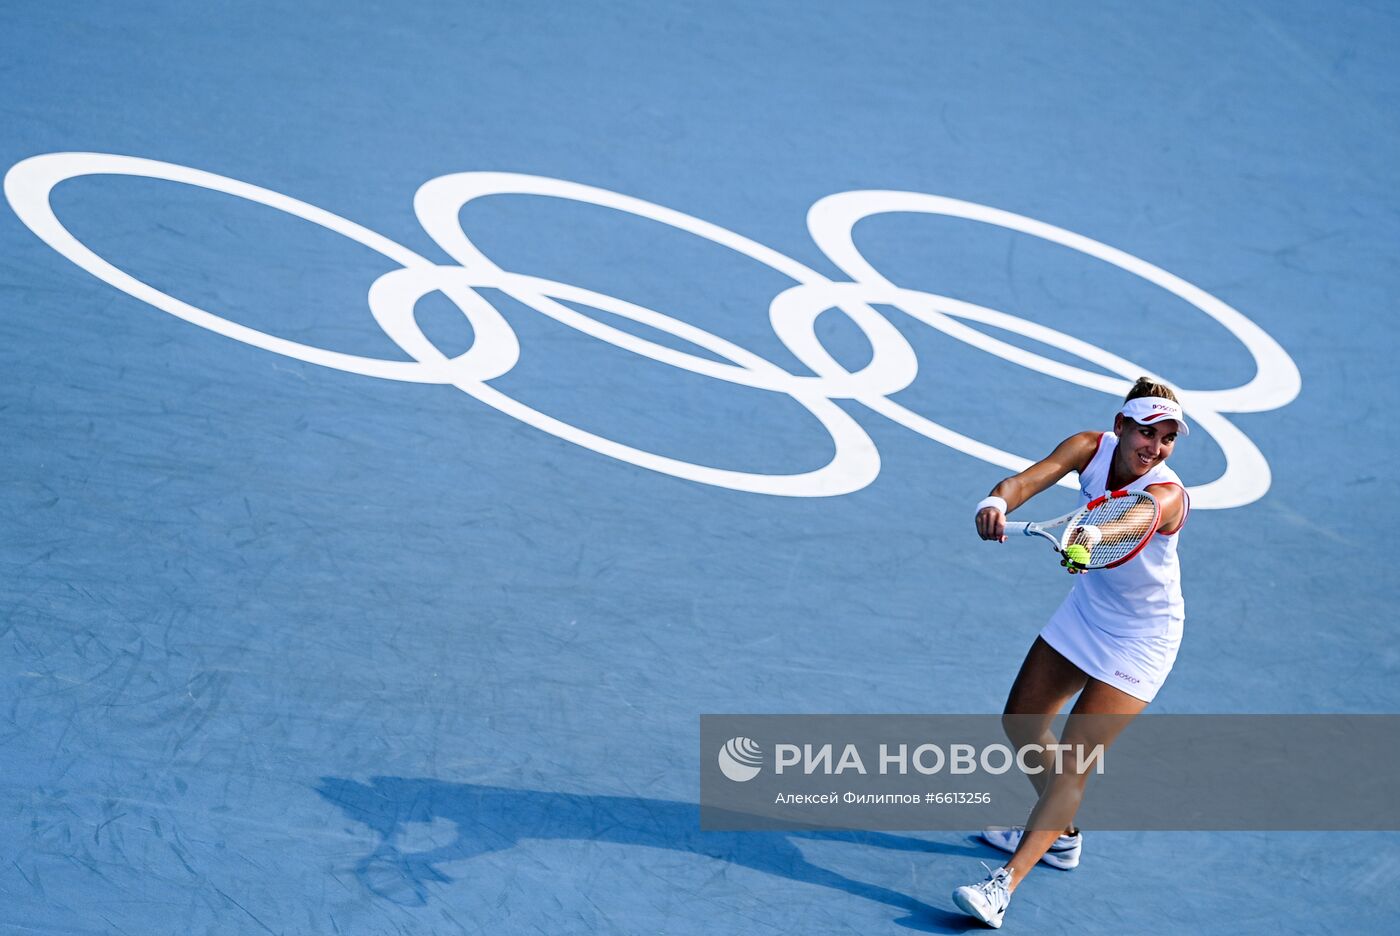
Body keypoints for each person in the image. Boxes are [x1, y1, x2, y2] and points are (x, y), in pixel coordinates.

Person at [950, 377, 1191, 928]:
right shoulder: (1089, 447)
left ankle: (1003, 886)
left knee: (1073, 766)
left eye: (1167, 438)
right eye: (1146, 432)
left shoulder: (1169, 493)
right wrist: (996, 501)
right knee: (1021, 723)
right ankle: (1059, 832)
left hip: (1143, 638)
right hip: (1088, 615)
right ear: (1120, 427)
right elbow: (1026, 480)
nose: (1154, 447)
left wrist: (1093, 538)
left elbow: (1137, 518)